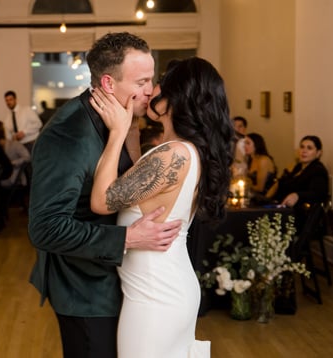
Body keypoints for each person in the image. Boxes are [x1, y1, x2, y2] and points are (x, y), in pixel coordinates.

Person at [27, 32, 184, 358]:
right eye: (142, 81)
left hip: (118, 282)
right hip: (84, 290)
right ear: (109, 84)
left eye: (151, 79)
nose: (151, 91)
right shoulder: (67, 135)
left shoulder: (123, 121)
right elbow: (45, 228)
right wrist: (127, 238)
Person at [89, 57, 234, 358]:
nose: (153, 89)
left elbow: (102, 201)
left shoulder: (173, 155)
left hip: (155, 298)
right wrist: (131, 132)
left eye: (161, 84)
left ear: (177, 98)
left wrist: (116, 132)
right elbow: (139, 186)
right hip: (166, 289)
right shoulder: (185, 151)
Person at [267, 135, 329, 209]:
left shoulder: (318, 170)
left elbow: (318, 194)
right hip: (280, 207)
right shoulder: (298, 167)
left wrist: (297, 195)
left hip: (300, 214)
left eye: (309, 148)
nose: (304, 151)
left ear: (318, 153)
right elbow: (283, 183)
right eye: (302, 147)